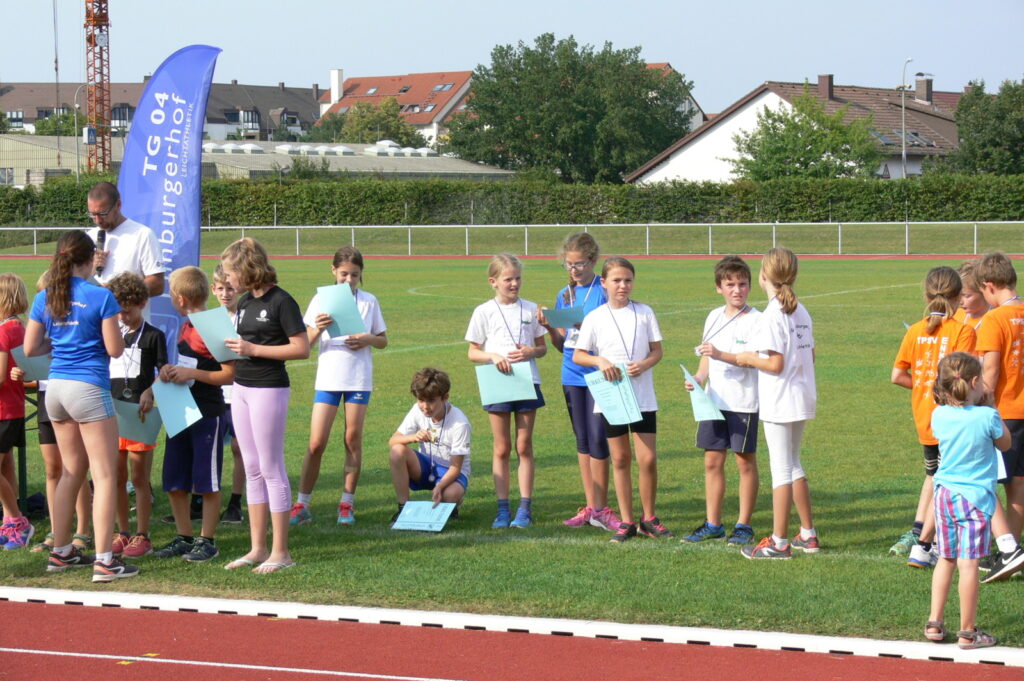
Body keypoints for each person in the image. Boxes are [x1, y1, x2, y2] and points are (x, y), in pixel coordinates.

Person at [24, 230, 136, 582]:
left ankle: (61, 552)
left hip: (55, 388)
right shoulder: (100, 296)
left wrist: (59, 345)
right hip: (88, 387)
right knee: (104, 475)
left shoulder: (45, 296)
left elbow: (30, 348)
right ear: (90, 260)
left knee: (70, 473)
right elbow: (115, 349)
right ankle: (105, 560)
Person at [220, 238, 309, 574]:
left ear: (247, 269)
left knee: (272, 467)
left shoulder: (282, 301)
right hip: (241, 388)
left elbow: (301, 348)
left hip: (269, 389)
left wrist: (253, 350)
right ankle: (257, 548)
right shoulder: (244, 302)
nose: (228, 280)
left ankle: (281, 551)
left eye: (231, 272)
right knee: (252, 467)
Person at [574, 257, 672, 543]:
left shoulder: (644, 312)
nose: (623, 285)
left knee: (648, 458)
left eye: (628, 280)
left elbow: (657, 351)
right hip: (613, 398)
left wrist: (644, 364)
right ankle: (627, 521)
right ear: (604, 283)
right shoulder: (595, 317)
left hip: (642, 396)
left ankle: (648, 518)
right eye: (616, 280)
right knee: (620, 458)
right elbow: (579, 354)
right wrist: (600, 361)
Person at [291, 246, 387, 527]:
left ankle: (347, 503)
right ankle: (302, 504)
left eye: (354, 275)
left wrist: (367, 339)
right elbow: (305, 344)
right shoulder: (321, 300)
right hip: (329, 378)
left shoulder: (369, 301)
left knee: (352, 439)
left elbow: (383, 340)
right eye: (344, 274)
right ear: (333, 270)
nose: (348, 280)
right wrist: (319, 328)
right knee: (316, 443)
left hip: (358, 378)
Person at [736, 247, 819, 560]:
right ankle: (808, 534)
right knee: (794, 463)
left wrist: (748, 358)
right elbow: (810, 354)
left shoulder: (773, 314)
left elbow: (775, 363)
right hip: (800, 394)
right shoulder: (800, 310)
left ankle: (779, 542)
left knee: (781, 469)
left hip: (781, 398)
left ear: (763, 276)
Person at [890, 267, 976, 567]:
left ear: (927, 296)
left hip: (925, 419)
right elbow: (963, 380)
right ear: (958, 297)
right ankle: (932, 542)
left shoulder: (915, 330)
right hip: (953, 420)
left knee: (935, 475)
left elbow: (897, 375)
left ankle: (919, 534)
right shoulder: (963, 331)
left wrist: (926, 386)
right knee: (950, 480)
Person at [925, 352, 1009, 650]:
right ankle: (968, 631)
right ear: (975, 382)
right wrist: (992, 405)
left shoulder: (939, 415)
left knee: (946, 558)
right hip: (975, 498)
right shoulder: (987, 416)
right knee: (969, 563)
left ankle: (934, 622)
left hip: (944, 495)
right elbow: (1006, 443)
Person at [151, 266, 234, 563]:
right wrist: (170, 372)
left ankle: (207, 540)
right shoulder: (187, 324)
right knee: (174, 478)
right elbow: (189, 365)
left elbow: (230, 375)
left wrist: (191, 374)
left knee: (206, 481)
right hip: (180, 409)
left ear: (181, 298)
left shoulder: (214, 325)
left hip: (207, 412)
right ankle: (183, 536)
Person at [537, 233, 619, 532]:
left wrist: (586, 325)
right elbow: (562, 345)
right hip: (571, 374)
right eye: (569, 265)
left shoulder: (603, 290)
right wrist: (550, 327)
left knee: (598, 439)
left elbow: (613, 330)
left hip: (599, 372)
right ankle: (591, 506)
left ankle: (602, 507)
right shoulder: (564, 294)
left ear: (593, 261)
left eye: (579, 264)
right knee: (583, 441)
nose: (574, 270)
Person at [682, 255, 761, 546]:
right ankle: (713, 523)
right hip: (713, 402)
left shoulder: (757, 320)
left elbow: (753, 360)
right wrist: (698, 378)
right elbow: (706, 358)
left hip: (743, 402)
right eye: (730, 285)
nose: (737, 290)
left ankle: (744, 525)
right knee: (712, 462)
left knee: (744, 463)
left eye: (742, 284)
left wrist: (719, 354)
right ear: (719, 287)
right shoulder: (713, 316)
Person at [466, 253, 547, 529]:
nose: (514, 284)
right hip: (497, 383)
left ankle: (525, 508)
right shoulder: (483, 311)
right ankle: (503, 509)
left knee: (524, 445)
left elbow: (542, 348)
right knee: (501, 447)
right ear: (493, 281)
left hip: (526, 381)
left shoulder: (531, 309)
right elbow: (472, 352)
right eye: (508, 279)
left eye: (517, 278)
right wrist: (492, 356)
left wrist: (531, 351)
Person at [18, 274, 92, 554]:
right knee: (53, 469)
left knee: (76, 467)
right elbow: (30, 361)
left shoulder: (75, 324)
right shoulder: (40, 327)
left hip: (72, 394)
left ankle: (82, 530)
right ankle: (56, 529)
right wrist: (22, 374)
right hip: (46, 397)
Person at [106, 272, 167, 559]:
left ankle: (142, 534)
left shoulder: (154, 336)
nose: (123, 317)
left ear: (142, 303)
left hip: (141, 415)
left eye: (128, 311)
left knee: (140, 477)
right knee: (116, 476)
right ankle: (122, 531)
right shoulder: (110, 334)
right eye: (118, 312)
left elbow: (164, 372)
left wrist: (150, 392)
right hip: (113, 413)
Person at [972, 252, 1024, 580]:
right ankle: (1012, 551)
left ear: (989, 286)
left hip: (1004, 412)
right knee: (1019, 483)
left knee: (983, 482)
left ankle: (1008, 550)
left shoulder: (994, 320)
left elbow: (989, 372)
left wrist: (976, 406)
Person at [388, 367, 470, 520]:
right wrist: (413, 437)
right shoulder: (417, 410)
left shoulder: (460, 423)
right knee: (397, 451)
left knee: (449, 495)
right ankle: (403, 508)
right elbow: (393, 441)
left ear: (445, 398)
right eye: (421, 400)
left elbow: (456, 467)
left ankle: (451, 503)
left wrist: (440, 486)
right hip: (426, 466)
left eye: (431, 401)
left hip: (451, 471)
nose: (425, 407)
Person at [85, 182, 165, 302]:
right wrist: (91, 269)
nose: (98, 220)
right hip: (95, 313)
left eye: (103, 214)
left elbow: (157, 284)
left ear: (118, 205)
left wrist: (113, 293)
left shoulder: (143, 235)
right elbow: (76, 281)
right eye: (93, 214)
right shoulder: (88, 237)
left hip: (127, 314)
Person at [0, 273, 32, 549]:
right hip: (14, 406)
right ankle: (9, 522)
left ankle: (18, 521)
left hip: (3, 408)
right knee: (6, 465)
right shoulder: (20, 327)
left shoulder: (4, 331)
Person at [212, 265, 245, 525]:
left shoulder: (246, 317)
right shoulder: (209, 319)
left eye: (230, 288)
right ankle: (202, 499)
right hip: (214, 391)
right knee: (209, 448)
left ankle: (235, 502)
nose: (226, 293)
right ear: (213, 289)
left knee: (238, 447)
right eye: (221, 288)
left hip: (240, 390)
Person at [953, 259, 989, 330]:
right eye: (958, 295)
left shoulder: (996, 318)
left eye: (967, 296)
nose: (960, 301)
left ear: (983, 291)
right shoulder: (955, 316)